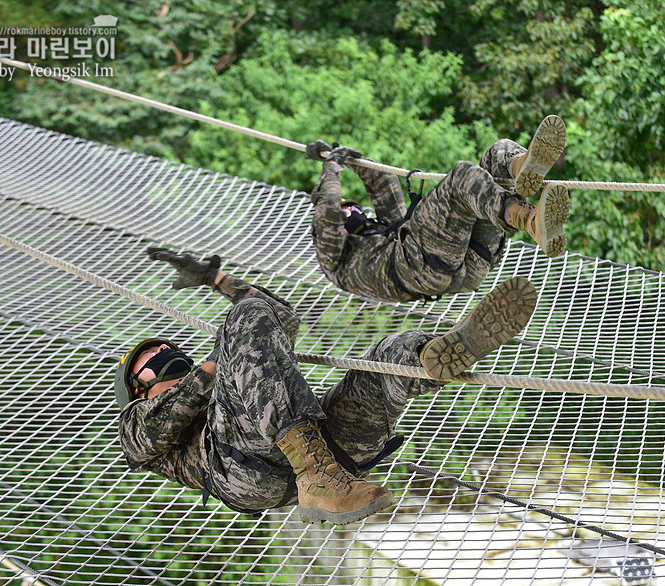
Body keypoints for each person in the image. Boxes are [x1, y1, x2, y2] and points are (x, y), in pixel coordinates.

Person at [115, 249, 537, 524]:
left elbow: (282, 319)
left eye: (168, 348)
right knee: (244, 319)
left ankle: (441, 352)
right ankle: (316, 476)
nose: (165, 354)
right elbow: (161, 423)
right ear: (136, 390)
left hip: (335, 455)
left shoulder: (228, 379)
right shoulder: (135, 427)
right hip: (242, 467)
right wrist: (213, 363)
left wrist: (217, 280)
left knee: (388, 356)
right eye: (151, 360)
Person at [307, 114, 568, 303]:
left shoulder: (380, 235)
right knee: (461, 179)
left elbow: (383, 186)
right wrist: (330, 167)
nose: (350, 212)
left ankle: (522, 168)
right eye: (348, 214)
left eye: (352, 209)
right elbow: (328, 210)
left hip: (464, 263)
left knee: (496, 154)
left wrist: (350, 159)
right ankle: (526, 220)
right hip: (419, 267)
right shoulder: (333, 261)